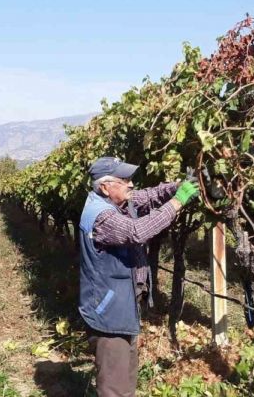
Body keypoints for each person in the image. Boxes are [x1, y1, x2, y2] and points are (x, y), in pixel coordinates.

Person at [78, 157, 198, 397]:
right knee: (115, 385)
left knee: (126, 372)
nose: (131, 185)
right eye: (124, 180)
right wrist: (177, 202)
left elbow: (150, 195)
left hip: (121, 303)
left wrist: (176, 186)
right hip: (108, 310)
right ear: (104, 186)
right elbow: (137, 232)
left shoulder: (118, 200)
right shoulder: (101, 216)